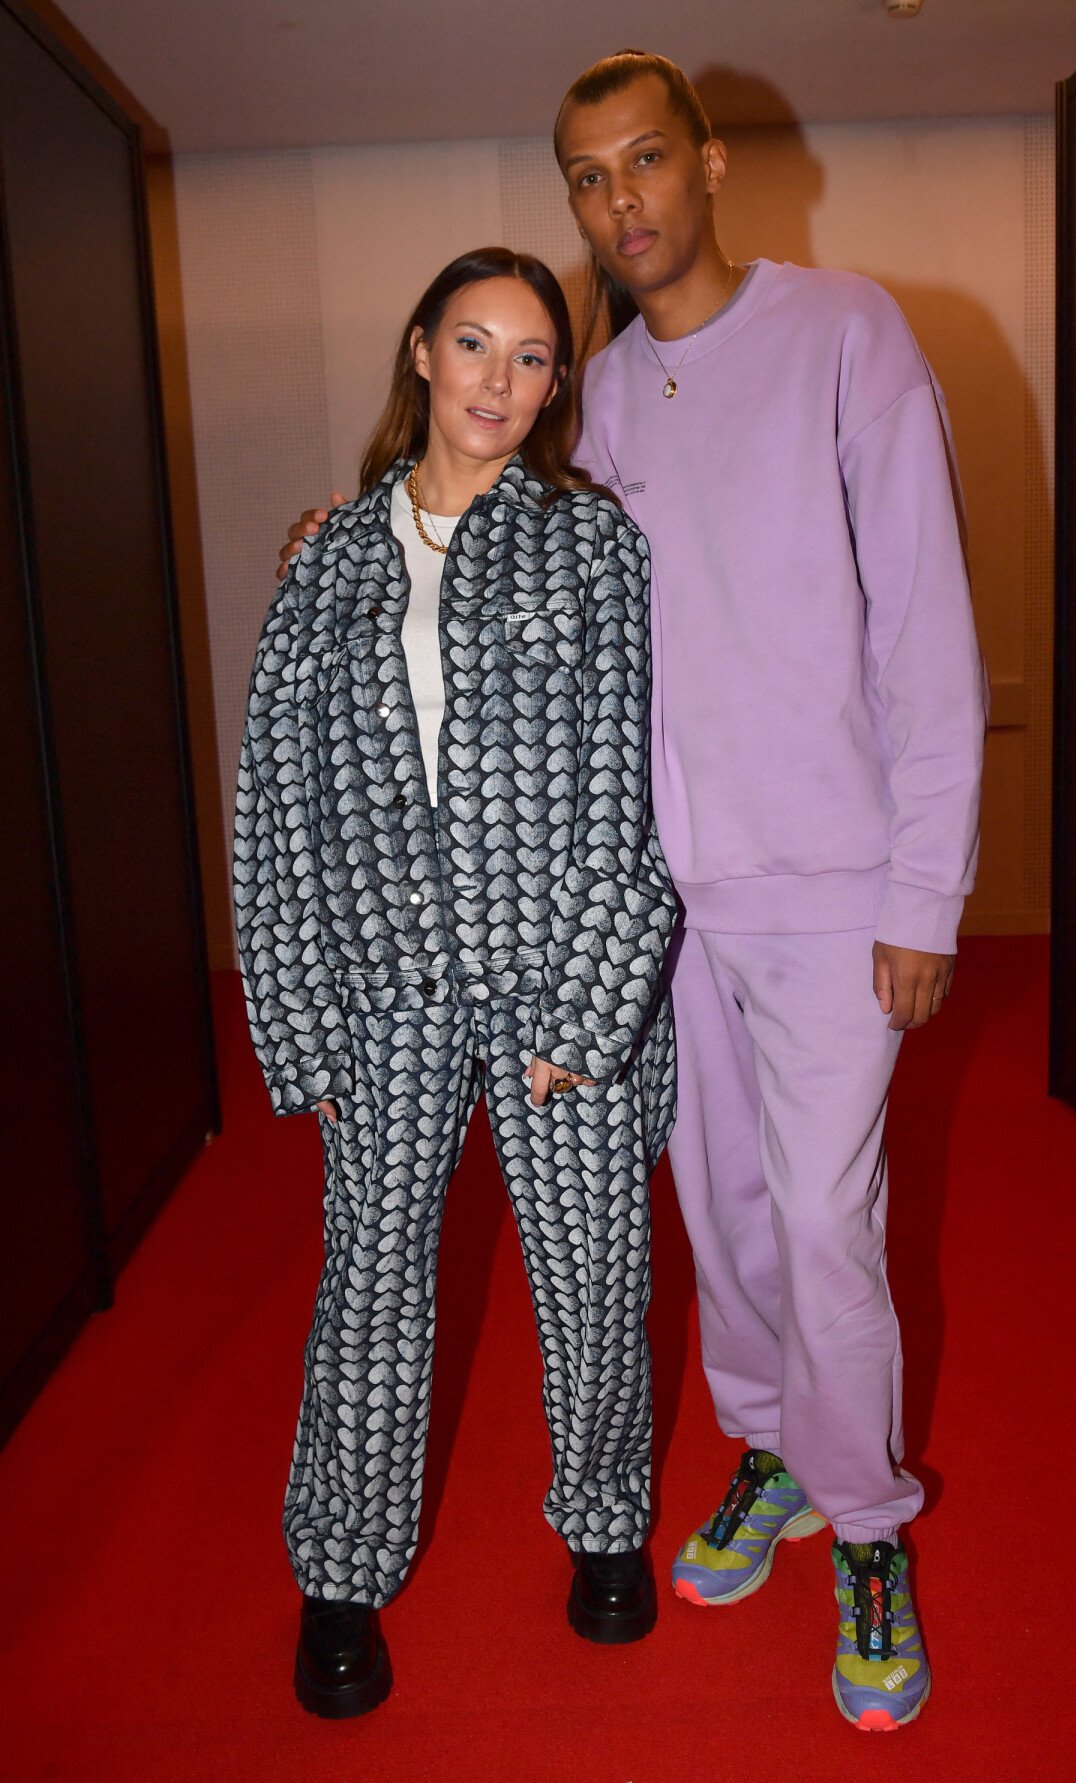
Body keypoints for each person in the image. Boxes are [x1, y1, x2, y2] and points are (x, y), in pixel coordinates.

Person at [279, 51, 987, 1733]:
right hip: (660, 908)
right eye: (590, 178)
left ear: (713, 164)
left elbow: (929, 636)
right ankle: (771, 1453)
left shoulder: (847, 335)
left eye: (648, 163)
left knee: (823, 1221)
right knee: (724, 1221)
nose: (623, 204)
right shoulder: (583, 394)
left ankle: (868, 1521)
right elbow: (470, 550)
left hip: (829, 891)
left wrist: (926, 894)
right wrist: (346, 539)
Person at [238, 247, 677, 1719]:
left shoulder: (594, 548)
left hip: (555, 980)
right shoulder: (329, 560)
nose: (499, 379)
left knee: (594, 1269)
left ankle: (607, 1526)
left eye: (533, 356)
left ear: (558, 384)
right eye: (475, 344)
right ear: (420, 350)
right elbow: (276, 804)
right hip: (387, 990)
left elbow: (624, 795)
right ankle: (341, 1572)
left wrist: (591, 1009)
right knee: (369, 1287)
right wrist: (301, 1018)